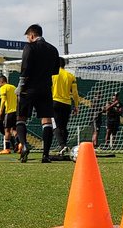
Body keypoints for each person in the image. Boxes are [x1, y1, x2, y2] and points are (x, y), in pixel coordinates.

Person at [15, 23, 60, 163]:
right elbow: (55, 71)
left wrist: (20, 86)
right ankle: (45, 155)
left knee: (21, 118)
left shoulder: (30, 47)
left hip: (28, 88)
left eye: (28, 37)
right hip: (45, 88)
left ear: (32, 35)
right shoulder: (53, 49)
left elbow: (25, 67)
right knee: (46, 120)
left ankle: (24, 146)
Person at [51, 57, 82, 157]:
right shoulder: (70, 76)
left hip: (55, 102)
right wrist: (76, 106)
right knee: (63, 127)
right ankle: (63, 148)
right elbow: (75, 93)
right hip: (67, 104)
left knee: (55, 126)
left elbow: (48, 89)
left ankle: (62, 145)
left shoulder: (52, 75)